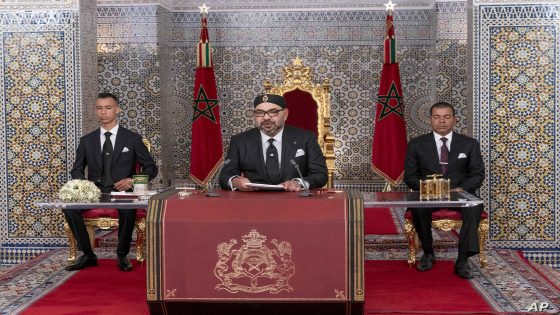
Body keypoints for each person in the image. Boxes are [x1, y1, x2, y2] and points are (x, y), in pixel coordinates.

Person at [63, 92, 158, 272]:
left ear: (117, 109)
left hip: (123, 191)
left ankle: (122, 255)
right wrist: (84, 186)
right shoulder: (86, 141)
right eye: (99, 108)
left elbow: (151, 168)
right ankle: (88, 255)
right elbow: (77, 169)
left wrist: (131, 180)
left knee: (127, 209)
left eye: (108, 108)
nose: (103, 112)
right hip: (95, 192)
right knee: (69, 207)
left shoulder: (132, 138)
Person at [404, 102, 485, 279]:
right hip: (428, 194)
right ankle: (428, 252)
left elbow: (478, 174)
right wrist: (430, 189)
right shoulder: (416, 144)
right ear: (430, 120)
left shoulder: (469, 144)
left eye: (446, 117)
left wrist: (461, 189)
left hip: (460, 193)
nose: (442, 121)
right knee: (417, 206)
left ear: (455, 119)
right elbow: (409, 176)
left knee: (474, 206)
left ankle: (463, 260)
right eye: (437, 117)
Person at [219, 93, 328, 191]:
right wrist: (235, 181)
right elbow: (225, 176)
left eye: (273, 112)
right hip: (253, 204)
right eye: (259, 113)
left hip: (295, 203)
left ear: (285, 114)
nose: (266, 117)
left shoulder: (305, 138)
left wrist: (298, 183)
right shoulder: (240, 141)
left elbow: (320, 175)